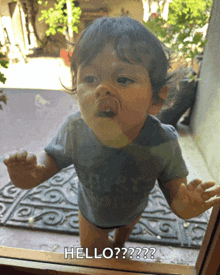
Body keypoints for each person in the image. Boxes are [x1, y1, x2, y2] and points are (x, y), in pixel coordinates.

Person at [3, 17, 220, 260]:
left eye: (123, 79)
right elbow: (46, 165)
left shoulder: (163, 141)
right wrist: (28, 176)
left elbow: (175, 196)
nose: (102, 89)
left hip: (134, 209)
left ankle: (119, 242)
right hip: (92, 214)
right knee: (91, 253)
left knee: (123, 234)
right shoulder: (76, 130)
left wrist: (186, 206)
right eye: (90, 79)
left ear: (156, 99)